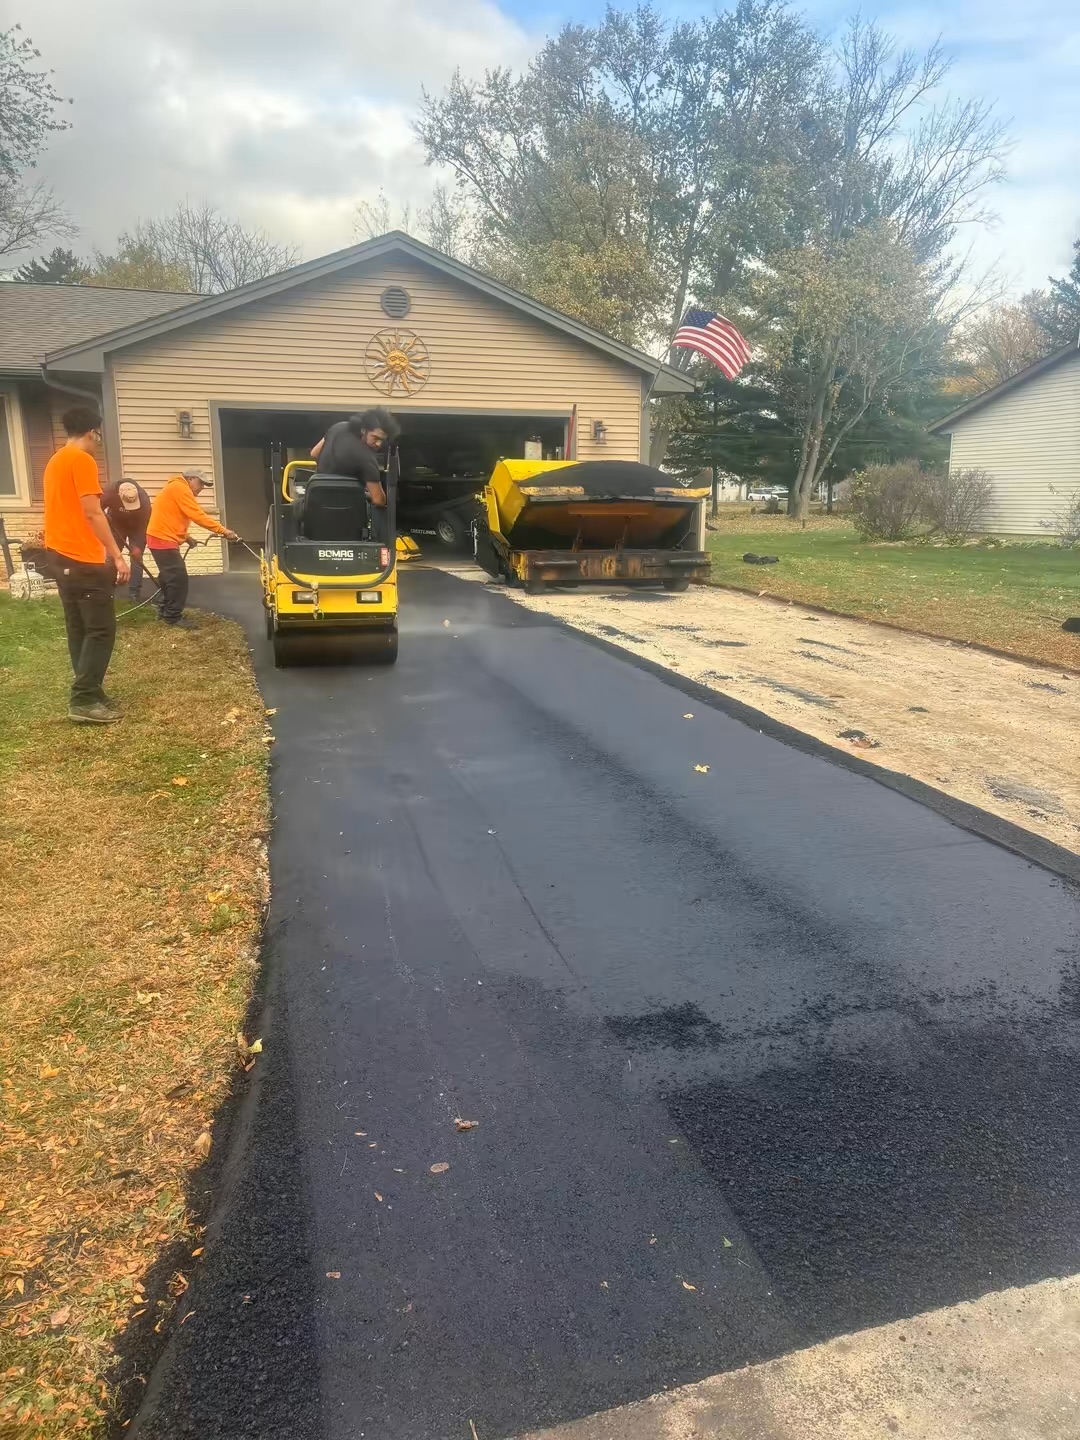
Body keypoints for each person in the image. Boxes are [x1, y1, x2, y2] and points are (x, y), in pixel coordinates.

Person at [43, 405, 131, 724]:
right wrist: (117, 555)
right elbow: (92, 513)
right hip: (81, 558)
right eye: (99, 436)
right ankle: (82, 700)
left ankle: (90, 690)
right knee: (101, 630)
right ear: (92, 432)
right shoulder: (81, 460)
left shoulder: (55, 460)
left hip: (58, 555)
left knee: (78, 627)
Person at [146, 471, 237, 629]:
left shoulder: (175, 488)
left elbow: (170, 515)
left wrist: (186, 537)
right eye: (200, 483)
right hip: (162, 539)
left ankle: (163, 609)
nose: (202, 488)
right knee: (178, 580)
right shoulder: (180, 488)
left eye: (204, 485)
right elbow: (198, 515)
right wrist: (224, 531)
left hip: (160, 538)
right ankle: (172, 617)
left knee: (169, 578)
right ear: (190, 478)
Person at [310, 408, 399, 540]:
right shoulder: (367, 458)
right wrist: (365, 493)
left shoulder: (337, 427)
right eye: (375, 438)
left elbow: (314, 453)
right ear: (364, 430)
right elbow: (378, 500)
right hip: (348, 515)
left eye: (382, 440)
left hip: (317, 504)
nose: (379, 444)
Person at [101, 477, 151, 601]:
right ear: (119, 494)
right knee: (111, 557)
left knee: (137, 559)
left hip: (137, 527)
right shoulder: (109, 492)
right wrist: (104, 516)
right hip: (117, 525)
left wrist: (139, 546)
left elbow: (146, 522)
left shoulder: (143, 498)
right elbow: (97, 509)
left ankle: (134, 593)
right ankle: (109, 589)